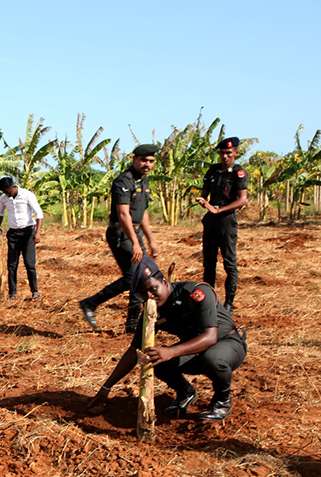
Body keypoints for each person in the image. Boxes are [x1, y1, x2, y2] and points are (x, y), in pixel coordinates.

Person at [88, 256, 246, 422]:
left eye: (153, 288)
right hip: (196, 351)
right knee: (156, 359)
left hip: (228, 344)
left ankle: (222, 400)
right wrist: (106, 387)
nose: (150, 296)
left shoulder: (195, 293)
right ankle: (186, 393)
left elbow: (210, 337)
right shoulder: (152, 311)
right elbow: (134, 350)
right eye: (143, 294)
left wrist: (171, 351)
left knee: (212, 358)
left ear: (164, 281)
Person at [79, 144, 161, 333]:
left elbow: (143, 212)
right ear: (134, 159)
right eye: (144, 160)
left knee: (141, 276)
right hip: (121, 233)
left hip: (135, 232)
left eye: (151, 161)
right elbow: (123, 215)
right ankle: (91, 303)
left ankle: (132, 324)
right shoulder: (124, 181)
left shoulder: (143, 180)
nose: (147, 164)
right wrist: (134, 243)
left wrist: (151, 240)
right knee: (133, 277)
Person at [197, 137, 249, 313]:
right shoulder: (212, 171)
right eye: (222, 153)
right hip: (211, 220)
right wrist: (203, 201)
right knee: (209, 262)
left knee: (229, 263)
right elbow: (204, 194)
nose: (225, 156)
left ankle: (228, 304)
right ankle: (209, 301)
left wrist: (219, 210)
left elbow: (243, 199)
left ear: (235, 153)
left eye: (229, 153)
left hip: (226, 220)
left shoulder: (238, 173)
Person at [0, 176, 43, 300]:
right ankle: (12, 294)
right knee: (12, 265)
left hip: (28, 233)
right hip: (13, 234)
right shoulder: (4, 198)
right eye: (4, 193)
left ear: (13, 187)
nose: (6, 195)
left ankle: (35, 292)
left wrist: (38, 232)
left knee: (29, 263)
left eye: (7, 192)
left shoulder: (27, 195)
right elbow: (0, 212)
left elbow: (39, 214)